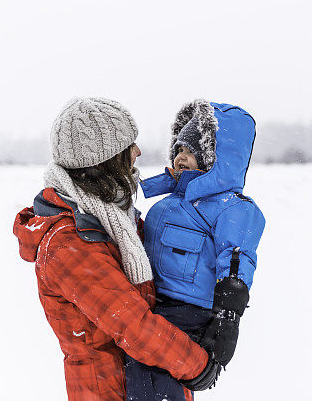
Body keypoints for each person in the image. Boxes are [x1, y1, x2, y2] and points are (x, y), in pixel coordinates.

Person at [13, 97, 220, 401]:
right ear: (103, 159)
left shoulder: (112, 219)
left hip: (146, 382)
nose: (138, 151)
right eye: (128, 145)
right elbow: (132, 324)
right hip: (110, 391)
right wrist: (198, 365)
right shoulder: (69, 242)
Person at [124, 99, 266, 400]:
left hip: (191, 313)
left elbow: (237, 262)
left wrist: (228, 318)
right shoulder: (168, 202)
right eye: (178, 149)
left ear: (216, 159)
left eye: (191, 151)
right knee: (138, 374)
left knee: (154, 377)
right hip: (155, 304)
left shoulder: (231, 209)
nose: (180, 157)